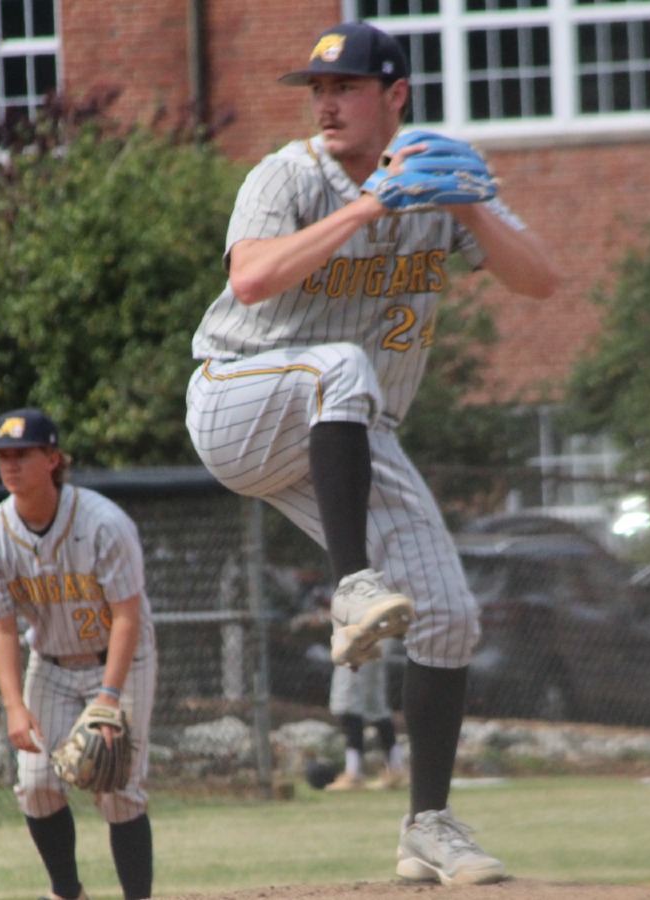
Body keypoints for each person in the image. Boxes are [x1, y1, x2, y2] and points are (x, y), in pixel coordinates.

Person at [184, 20, 559, 887]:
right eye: (318, 88)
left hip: (348, 430)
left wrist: (464, 201)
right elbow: (250, 279)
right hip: (237, 400)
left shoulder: (436, 174)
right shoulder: (288, 175)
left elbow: (539, 277)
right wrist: (367, 207)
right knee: (343, 371)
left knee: (449, 613)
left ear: (395, 97)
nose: (326, 102)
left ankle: (427, 824)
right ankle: (351, 586)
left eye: (346, 87)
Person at [0, 408, 158, 900]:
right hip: (51, 665)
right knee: (35, 785)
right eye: (2, 456)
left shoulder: (103, 523)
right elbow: (2, 626)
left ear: (53, 459)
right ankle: (66, 892)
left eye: (22, 454)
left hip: (122, 660)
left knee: (119, 791)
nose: (9, 465)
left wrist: (108, 698)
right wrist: (14, 704)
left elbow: (127, 615)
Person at [324, 640, 406, 792]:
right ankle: (396, 768)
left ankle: (354, 773)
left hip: (355, 638)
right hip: (376, 640)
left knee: (348, 704)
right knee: (376, 706)